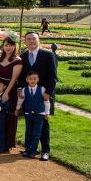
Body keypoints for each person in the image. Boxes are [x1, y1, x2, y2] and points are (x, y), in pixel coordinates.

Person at [18, 32, 57, 161]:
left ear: (38, 40)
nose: (31, 41)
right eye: (28, 39)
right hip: (29, 97)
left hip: (44, 96)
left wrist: (48, 93)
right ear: (25, 42)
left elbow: (53, 77)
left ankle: (45, 150)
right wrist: (20, 90)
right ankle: (30, 148)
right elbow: (21, 77)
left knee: (44, 124)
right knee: (30, 124)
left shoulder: (48, 55)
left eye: (33, 39)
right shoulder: (22, 56)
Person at [0, 34, 23, 149]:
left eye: (11, 45)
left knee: (7, 116)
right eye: (6, 45)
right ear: (3, 46)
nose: (8, 48)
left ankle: (6, 144)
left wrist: (6, 93)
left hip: (9, 92)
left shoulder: (18, 60)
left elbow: (14, 79)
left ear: (14, 47)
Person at [16, 70, 52, 160]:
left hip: (39, 114)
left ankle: (33, 151)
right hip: (28, 114)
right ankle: (27, 149)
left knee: (36, 133)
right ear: (27, 79)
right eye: (30, 79)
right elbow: (20, 100)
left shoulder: (42, 89)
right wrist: (17, 108)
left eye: (35, 79)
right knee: (28, 132)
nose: (32, 80)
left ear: (38, 79)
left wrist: (47, 113)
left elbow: (47, 102)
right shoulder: (24, 89)